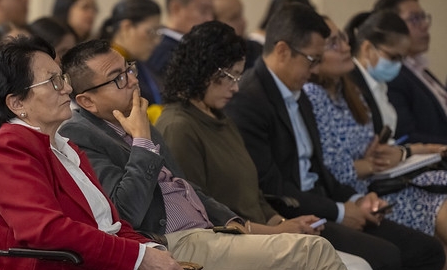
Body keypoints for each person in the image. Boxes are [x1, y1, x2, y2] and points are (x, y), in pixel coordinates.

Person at [58, 38, 347, 269]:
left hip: (210, 232)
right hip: (172, 242)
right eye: (117, 78)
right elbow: (124, 213)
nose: (133, 80)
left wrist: (236, 223)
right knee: (314, 251)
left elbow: (185, 187)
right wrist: (142, 141)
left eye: (129, 69)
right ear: (87, 101)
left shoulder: (135, 117)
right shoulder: (81, 135)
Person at [224, 3, 445, 270]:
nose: (316, 70)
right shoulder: (249, 101)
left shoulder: (299, 93)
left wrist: (355, 201)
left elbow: (320, 170)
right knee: (387, 256)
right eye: (312, 60)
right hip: (295, 215)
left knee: (428, 250)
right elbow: (273, 187)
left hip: (324, 203)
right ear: (282, 51)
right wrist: (341, 211)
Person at [153, 20, 370, 269]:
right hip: (225, 242)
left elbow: (254, 194)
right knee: (341, 260)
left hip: (257, 233)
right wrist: (275, 231)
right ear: (202, 69)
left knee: (357, 261)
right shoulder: (178, 127)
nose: (236, 87)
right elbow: (200, 213)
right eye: (230, 76)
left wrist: (282, 223)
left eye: (239, 76)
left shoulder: (220, 117)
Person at [0, 35, 182, 270]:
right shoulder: (8, 149)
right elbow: (46, 231)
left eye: (63, 78)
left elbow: (111, 224)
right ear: (17, 103)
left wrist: (150, 251)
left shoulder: (65, 147)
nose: (68, 88)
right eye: (53, 82)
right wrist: (139, 257)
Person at [306, 12, 447, 259]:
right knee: (437, 210)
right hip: (364, 195)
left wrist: (374, 158)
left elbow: (370, 148)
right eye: (333, 44)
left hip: (376, 185)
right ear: (313, 56)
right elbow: (334, 172)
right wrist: (369, 163)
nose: (346, 47)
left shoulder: (347, 90)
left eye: (343, 38)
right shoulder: (313, 96)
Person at [0, 17, 76, 168]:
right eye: (13, 50)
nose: (26, 54)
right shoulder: (7, 148)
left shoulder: (67, 145)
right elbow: (0, 161)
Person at [344, 11, 447, 162]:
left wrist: (415, 150)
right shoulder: (352, 85)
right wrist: (409, 152)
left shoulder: (380, 85)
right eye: (393, 57)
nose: (398, 65)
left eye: (402, 59)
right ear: (367, 49)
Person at [373, 0, 447, 144]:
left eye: (423, 17)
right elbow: (406, 136)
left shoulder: (419, 68)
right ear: (391, 28)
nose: (425, 25)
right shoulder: (392, 75)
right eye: (414, 19)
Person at [99, 0, 163, 105]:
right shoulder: (105, 69)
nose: (156, 41)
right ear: (127, 27)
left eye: (158, 32)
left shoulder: (140, 63)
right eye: (151, 32)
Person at [145, 0, 213, 80]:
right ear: (176, 8)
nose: (210, 19)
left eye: (212, 13)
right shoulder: (162, 51)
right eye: (203, 11)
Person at [212, 0, 263, 71]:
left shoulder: (256, 51)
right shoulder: (206, 62)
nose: (244, 23)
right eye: (234, 18)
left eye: (241, 14)